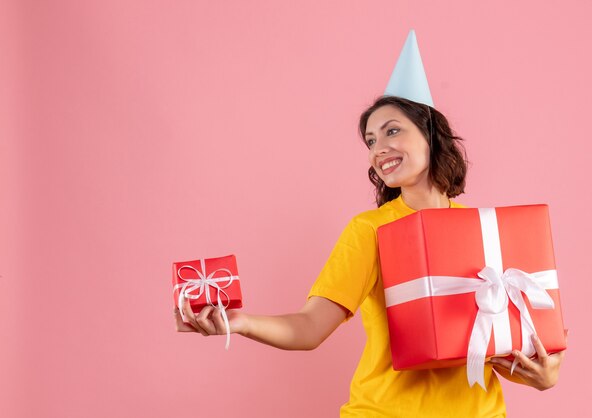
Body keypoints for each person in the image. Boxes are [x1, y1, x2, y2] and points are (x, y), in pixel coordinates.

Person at [175, 32, 566, 417]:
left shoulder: (487, 233)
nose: (379, 149)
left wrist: (545, 374)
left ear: (429, 132)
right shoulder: (371, 230)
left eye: (392, 131)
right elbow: (310, 327)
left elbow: (508, 339)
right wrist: (241, 322)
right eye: (371, 141)